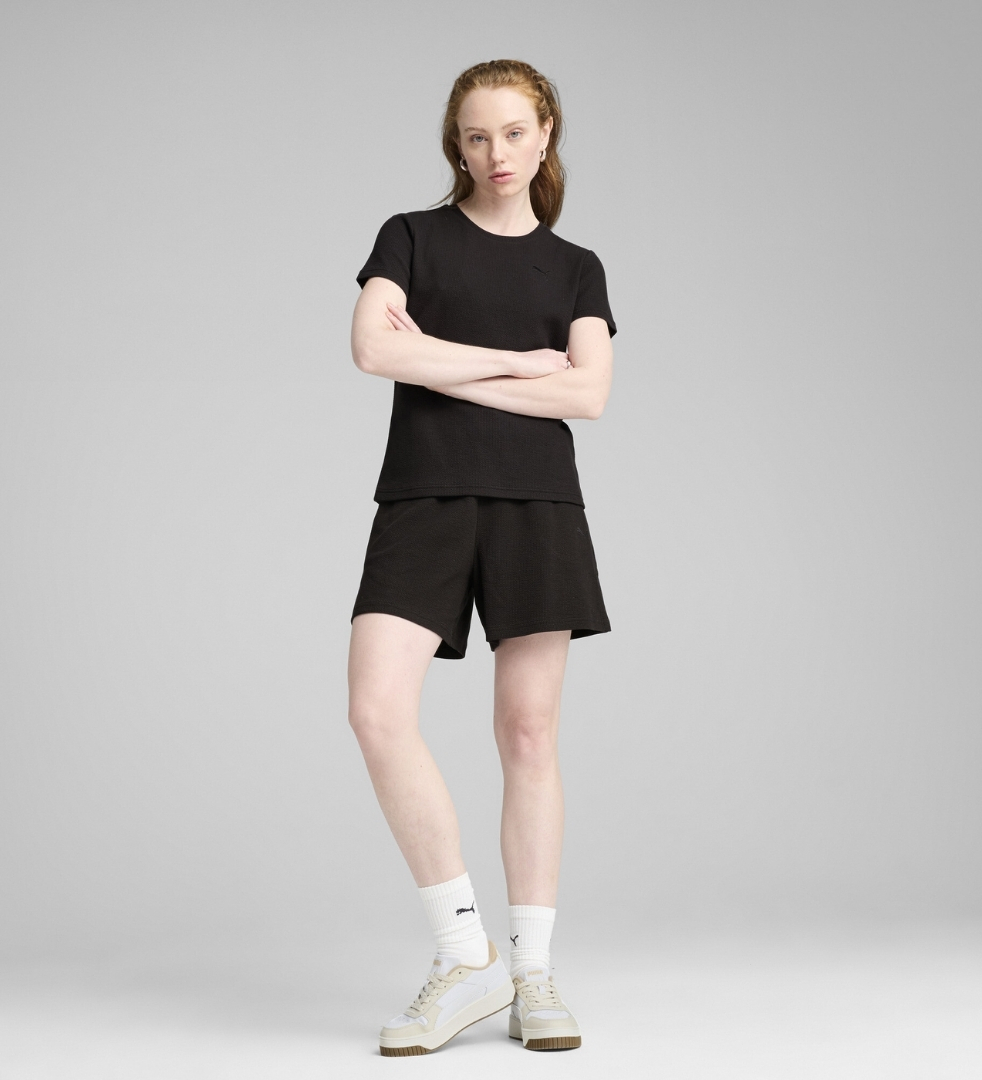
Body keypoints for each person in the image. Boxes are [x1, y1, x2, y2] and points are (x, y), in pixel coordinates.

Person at [347, 58, 616, 1057]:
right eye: (475, 135)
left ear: (545, 136)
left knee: (529, 735)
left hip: (537, 500)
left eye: (512, 132)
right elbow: (374, 350)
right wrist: (516, 364)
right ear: (455, 145)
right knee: (376, 710)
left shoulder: (575, 267)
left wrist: (444, 364)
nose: (495, 153)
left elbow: (588, 394)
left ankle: (533, 977)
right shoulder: (409, 238)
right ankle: (467, 957)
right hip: (423, 494)